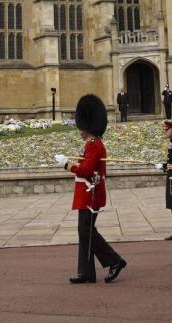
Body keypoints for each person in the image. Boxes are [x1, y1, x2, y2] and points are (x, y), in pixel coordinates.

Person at [55, 94, 126, 284]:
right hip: (86, 193)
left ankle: (115, 261)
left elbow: (86, 171)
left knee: (87, 231)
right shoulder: (90, 145)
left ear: (87, 125)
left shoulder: (95, 146)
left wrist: (67, 165)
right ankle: (86, 271)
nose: (78, 129)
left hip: (91, 194)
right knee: (84, 231)